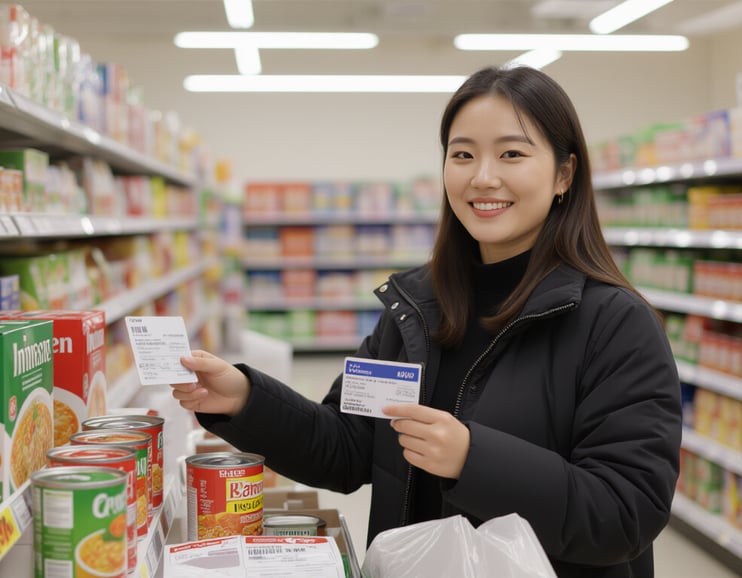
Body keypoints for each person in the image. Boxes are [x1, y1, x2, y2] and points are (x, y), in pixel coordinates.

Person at [170, 65, 682, 578]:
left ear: (564, 175)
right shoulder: (415, 309)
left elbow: (626, 513)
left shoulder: (616, 325)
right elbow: (346, 446)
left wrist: (472, 458)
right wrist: (244, 399)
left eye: (512, 153)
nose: (483, 176)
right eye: (462, 154)